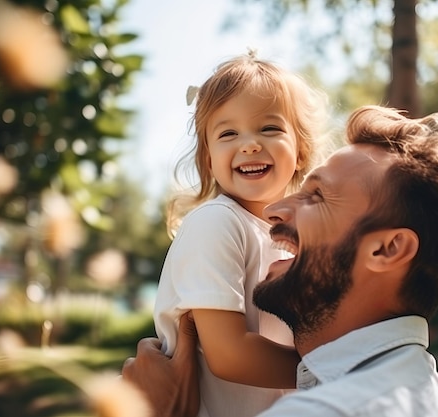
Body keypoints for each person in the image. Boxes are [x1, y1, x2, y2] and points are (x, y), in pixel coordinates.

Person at [123, 104, 438, 417]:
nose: (274, 210)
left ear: (387, 249)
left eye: (317, 197)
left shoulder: (324, 409)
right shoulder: (426, 396)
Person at [152, 51, 331, 417]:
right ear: (208, 159)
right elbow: (229, 355)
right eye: (228, 133)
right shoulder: (216, 223)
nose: (249, 144)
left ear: (300, 151)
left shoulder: (297, 240)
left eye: (269, 128)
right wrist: (333, 373)